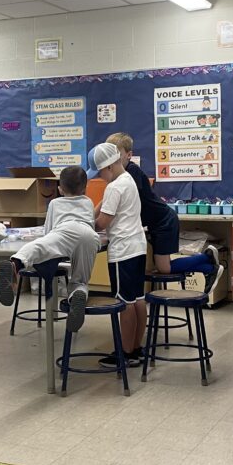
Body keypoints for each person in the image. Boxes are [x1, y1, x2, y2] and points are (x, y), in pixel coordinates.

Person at [105, 133, 218, 292]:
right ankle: (208, 268)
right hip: (156, 223)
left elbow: (127, 202)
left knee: (164, 268)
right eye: (109, 155)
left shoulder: (130, 172)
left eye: (117, 155)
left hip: (164, 221)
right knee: (162, 266)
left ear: (129, 155)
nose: (112, 160)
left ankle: (206, 258)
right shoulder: (120, 176)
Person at [0, 165, 99, 333]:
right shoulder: (88, 202)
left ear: (59, 188)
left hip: (64, 231)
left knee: (39, 246)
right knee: (80, 280)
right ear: (85, 188)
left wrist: (56, 248)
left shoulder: (55, 203)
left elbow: (48, 232)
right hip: (89, 236)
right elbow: (92, 224)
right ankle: (76, 297)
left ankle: (16, 263)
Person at [89, 142, 148, 366]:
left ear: (109, 167)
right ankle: (135, 348)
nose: (100, 177)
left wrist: (85, 226)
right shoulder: (127, 180)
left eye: (100, 173)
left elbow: (103, 221)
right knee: (137, 299)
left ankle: (123, 353)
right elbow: (104, 206)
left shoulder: (114, 187)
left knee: (124, 302)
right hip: (137, 247)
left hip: (122, 251)